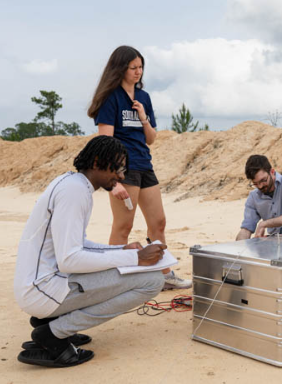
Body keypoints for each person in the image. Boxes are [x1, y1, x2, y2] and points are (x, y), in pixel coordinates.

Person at [14, 136, 169, 367]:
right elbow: (70, 260)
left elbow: (79, 244)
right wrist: (135, 258)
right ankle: (54, 333)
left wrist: (121, 249)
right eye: (118, 168)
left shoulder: (73, 184)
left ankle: (56, 320)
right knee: (153, 281)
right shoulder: (75, 192)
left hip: (42, 283)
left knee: (129, 268)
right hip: (43, 290)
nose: (122, 176)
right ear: (97, 162)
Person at [87, 45, 189, 290]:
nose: (138, 72)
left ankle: (164, 274)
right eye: (133, 68)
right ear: (120, 69)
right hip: (122, 170)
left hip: (145, 165)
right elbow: (105, 143)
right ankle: (114, 278)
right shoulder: (110, 98)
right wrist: (113, 182)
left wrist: (143, 116)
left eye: (141, 67)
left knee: (159, 223)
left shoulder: (144, 97)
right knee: (124, 226)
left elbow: (151, 138)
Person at [236, 155, 282, 240]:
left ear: (272, 172)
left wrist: (265, 224)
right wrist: (239, 247)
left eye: (263, 180)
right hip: (274, 244)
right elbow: (246, 229)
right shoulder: (253, 197)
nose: (260, 186)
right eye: (255, 184)